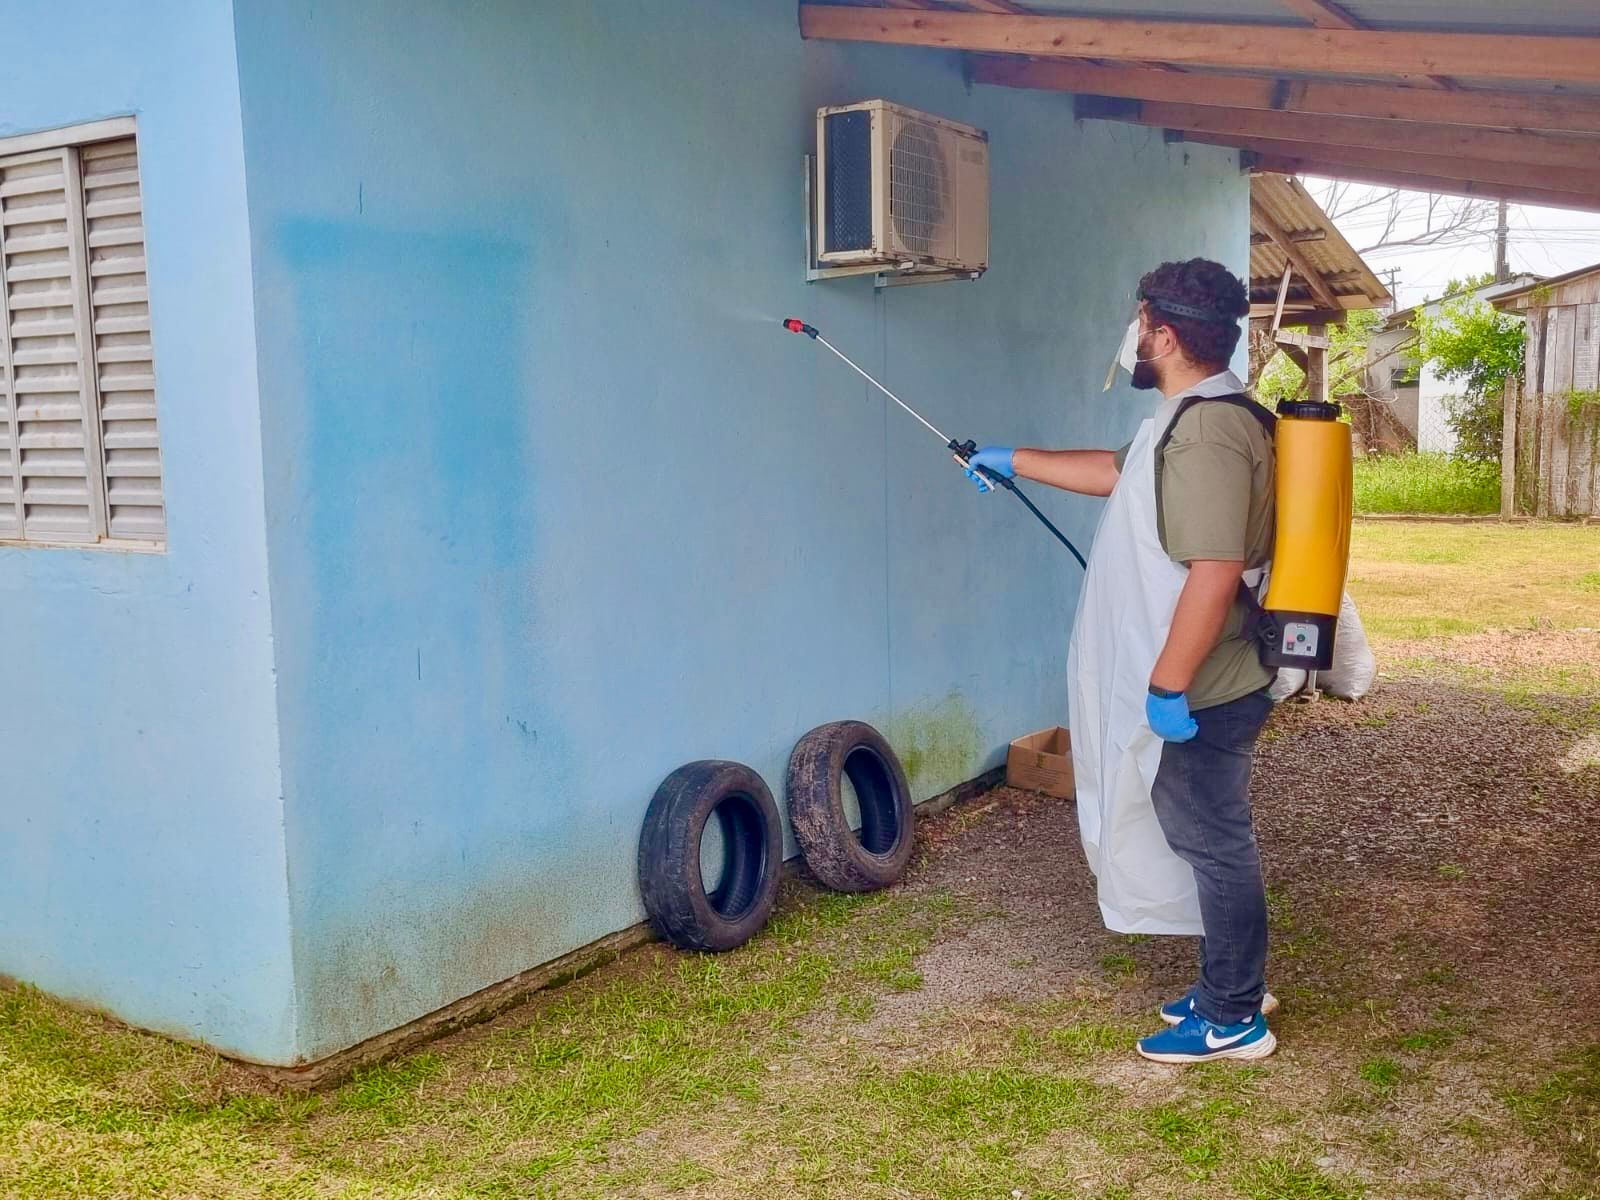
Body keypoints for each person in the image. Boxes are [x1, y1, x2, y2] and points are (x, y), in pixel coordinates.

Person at [965, 258, 1279, 1065]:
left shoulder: (1208, 429)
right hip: (1197, 681)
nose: (1133, 336)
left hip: (1204, 687)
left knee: (1213, 838)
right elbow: (1118, 472)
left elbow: (1213, 571)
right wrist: (1012, 458)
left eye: (1140, 323)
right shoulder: (1186, 417)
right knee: (1198, 831)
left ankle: (1235, 1011)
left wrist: (1168, 684)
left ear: (1163, 333)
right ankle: (1228, 984)